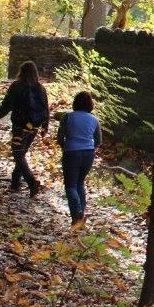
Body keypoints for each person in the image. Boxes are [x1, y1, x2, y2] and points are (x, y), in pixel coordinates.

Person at [0, 61, 50, 197]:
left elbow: (6, 106)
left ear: (21, 72)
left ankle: (32, 182)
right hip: (34, 126)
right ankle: (15, 183)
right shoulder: (41, 88)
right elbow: (46, 109)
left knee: (18, 154)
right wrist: (45, 127)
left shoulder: (16, 86)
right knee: (21, 153)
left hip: (20, 126)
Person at [56, 91, 101, 227]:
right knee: (80, 183)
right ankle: (81, 213)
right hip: (88, 154)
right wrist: (91, 148)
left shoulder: (67, 117)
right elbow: (98, 140)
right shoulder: (94, 119)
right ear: (90, 104)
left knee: (70, 185)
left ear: (75, 103)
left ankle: (77, 213)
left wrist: (65, 146)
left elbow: (60, 137)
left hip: (71, 152)